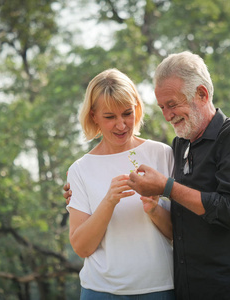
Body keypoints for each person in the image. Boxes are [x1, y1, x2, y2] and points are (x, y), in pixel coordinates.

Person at [126, 51, 230, 300]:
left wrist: (167, 187)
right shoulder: (180, 145)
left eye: (172, 104)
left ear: (202, 94)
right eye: (162, 107)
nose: (167, 115)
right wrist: (78, 186)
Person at [65, 68, 175, 299]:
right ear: (93, 116)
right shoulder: (80, 170)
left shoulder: (162, 154)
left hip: (159, 288)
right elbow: (82, 248)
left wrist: (154, 209)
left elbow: (181, 234)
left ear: (136, 107)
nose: (121, 125)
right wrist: (109, 201)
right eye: (109, 117)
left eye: (127, 113)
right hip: (100, 292)